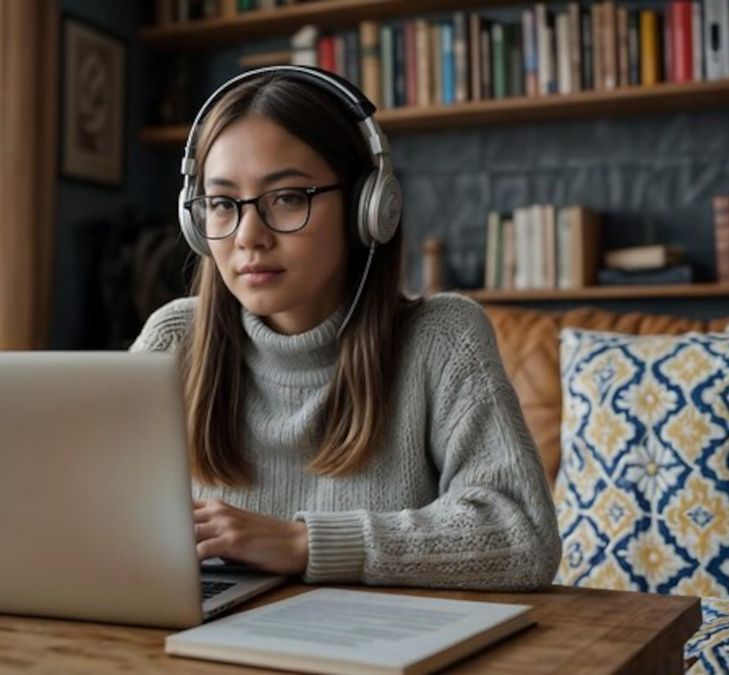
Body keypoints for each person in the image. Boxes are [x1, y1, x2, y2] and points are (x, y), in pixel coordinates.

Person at [129, 67, 561, 591]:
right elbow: (88, 514)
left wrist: (301, 543)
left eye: (287, 197)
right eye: (222, 204)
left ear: (368, 208)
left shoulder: (442, 338)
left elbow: (520, 536)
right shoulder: (174, 339)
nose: (249, 236)